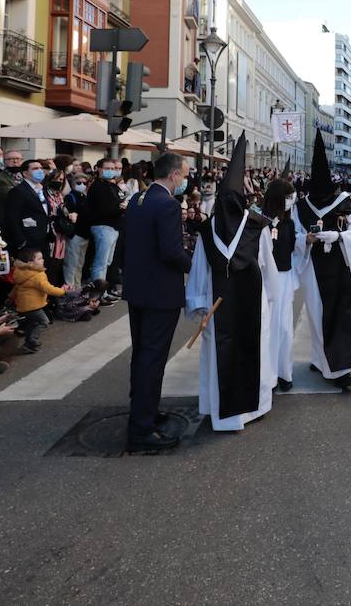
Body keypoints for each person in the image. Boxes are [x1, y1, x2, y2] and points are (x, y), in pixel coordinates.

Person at [185, 136, 276, 431]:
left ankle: (221, 411)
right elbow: (267, 267)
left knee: (220, 354)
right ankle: (254, 408)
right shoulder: (256, 228)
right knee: (253, 351)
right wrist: (273, 297)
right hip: (252, 303)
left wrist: (198, 303)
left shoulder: (208, 231)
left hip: (216, 303)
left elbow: (199, 269)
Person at [122, 153, 193, 452]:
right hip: (159, 291)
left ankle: (144, 412)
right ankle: (141, 431)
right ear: (175, 175)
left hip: (138, 288)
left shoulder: (139, 198)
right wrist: (195, 264)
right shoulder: (168, 204)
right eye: (185, 174)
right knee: (153, 357)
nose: (185, 181)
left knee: (142, 354)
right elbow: (171, 252)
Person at [292, 133, 351, 389]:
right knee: (317, 313)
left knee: (341, 314)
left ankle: (340, 369)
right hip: (314, 267)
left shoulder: (345, 201)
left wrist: (339, 236)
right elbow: (294, 236)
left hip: (342, 266)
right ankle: (320, 357)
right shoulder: (301, 206)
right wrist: (307, 239)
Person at [261, 177, 298, 391]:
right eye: (287, 197)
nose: (291, 200)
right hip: (266, 280)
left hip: (284, 279)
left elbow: (293, 247)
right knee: (267, 329)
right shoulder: (260, 222)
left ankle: (284, 371)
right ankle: (268, 374)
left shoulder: (289, 223)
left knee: (284, 329)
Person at [8, 246, 67, 352]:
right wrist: (63, 292)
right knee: (44, 321)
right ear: (31, 263)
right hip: (33, 306)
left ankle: (27, 342)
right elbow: (48, 289)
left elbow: (17, 287)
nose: (43, 260)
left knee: (33, 322)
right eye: (39, 259)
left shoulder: (20, 272)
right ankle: (31, 341)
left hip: (23, 305)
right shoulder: (38, 275)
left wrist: (10, 297)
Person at [83, 157, 124, 288]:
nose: (110, 171)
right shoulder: (97, 186)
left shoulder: (112, 185)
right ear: (99, 169)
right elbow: (102, 209)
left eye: (113, 168)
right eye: (107, 168)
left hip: (113, 227)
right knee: (100, 262)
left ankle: (102, 291)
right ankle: (97, 293)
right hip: (103, 226)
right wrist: (120, 208)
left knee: (107, 261)